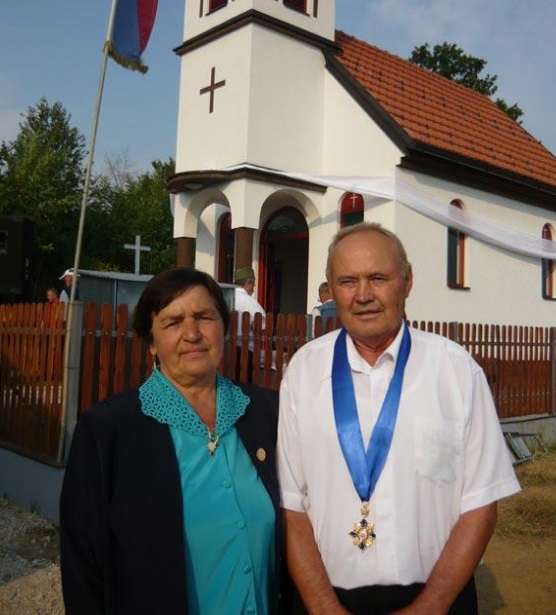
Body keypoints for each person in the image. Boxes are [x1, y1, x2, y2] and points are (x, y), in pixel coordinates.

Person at [277, 222, 520, 615]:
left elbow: (480, 504)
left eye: (378, 278)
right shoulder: (303, 372)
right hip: (324, 597)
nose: (363, 295)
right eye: (348, 281)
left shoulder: (456, 371)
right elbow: (291, 505)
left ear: (407, 282)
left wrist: (430, 607)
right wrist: (323, 607)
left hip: (438, 598)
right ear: (331, 289)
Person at [60, 267, 281, 614]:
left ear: (223, 328)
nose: (192, 334)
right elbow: (83, 566)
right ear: (151, 342)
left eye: (204, 317)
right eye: (173, 322)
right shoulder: (108, 431)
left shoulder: (266, 413)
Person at [234, 266, 266, 381]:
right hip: (246, 353)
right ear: (248, 283)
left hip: (225, 352)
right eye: (253, 284)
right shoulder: (250, 302)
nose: (254, 287)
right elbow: (263, 327)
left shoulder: (225, 298)